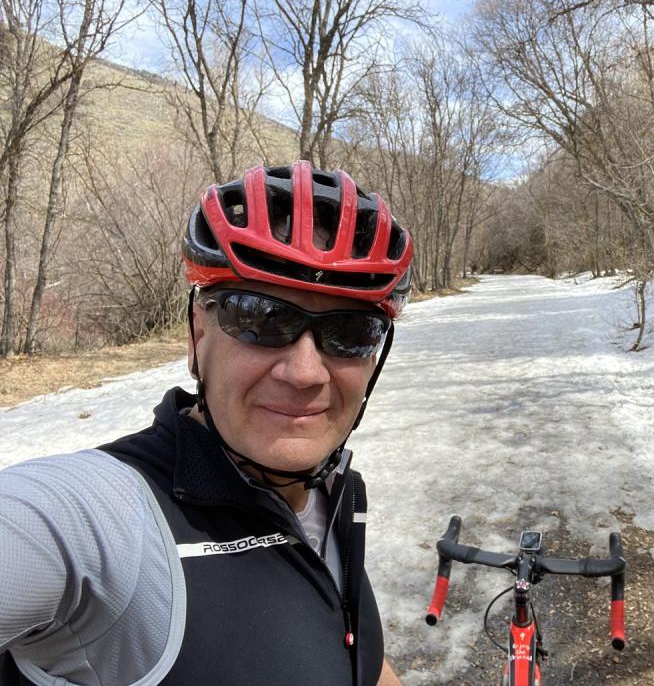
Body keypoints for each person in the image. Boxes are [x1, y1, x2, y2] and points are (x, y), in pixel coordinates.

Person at [0, 162, 413, 685]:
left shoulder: (335, 493)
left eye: (351, 331)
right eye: (261, 318)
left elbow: (356, 656)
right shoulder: (107, 519)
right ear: (198, 335)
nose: (305, 373)